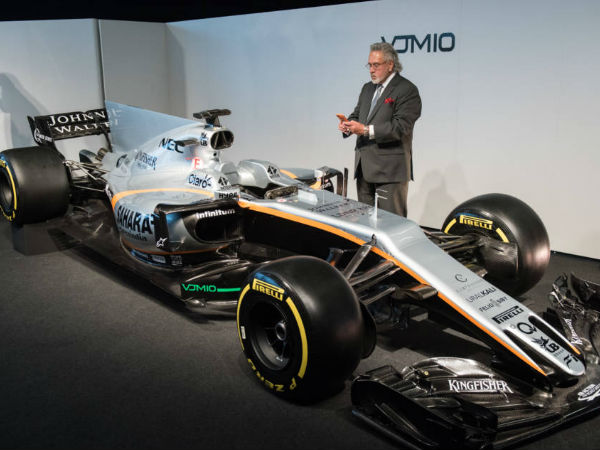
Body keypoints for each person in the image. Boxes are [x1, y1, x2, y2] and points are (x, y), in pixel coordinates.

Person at [338, 42, 421, 217]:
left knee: (391, 224)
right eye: (369, 65)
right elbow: (357, 114)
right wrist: (348, 126)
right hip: (364, 169)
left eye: (376, 65)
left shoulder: (407, 90)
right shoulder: (367, 88)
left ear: (390, 65)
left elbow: (400, 127)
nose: (371, 70)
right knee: (365, 224)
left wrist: (365, 130)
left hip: (389, 173)